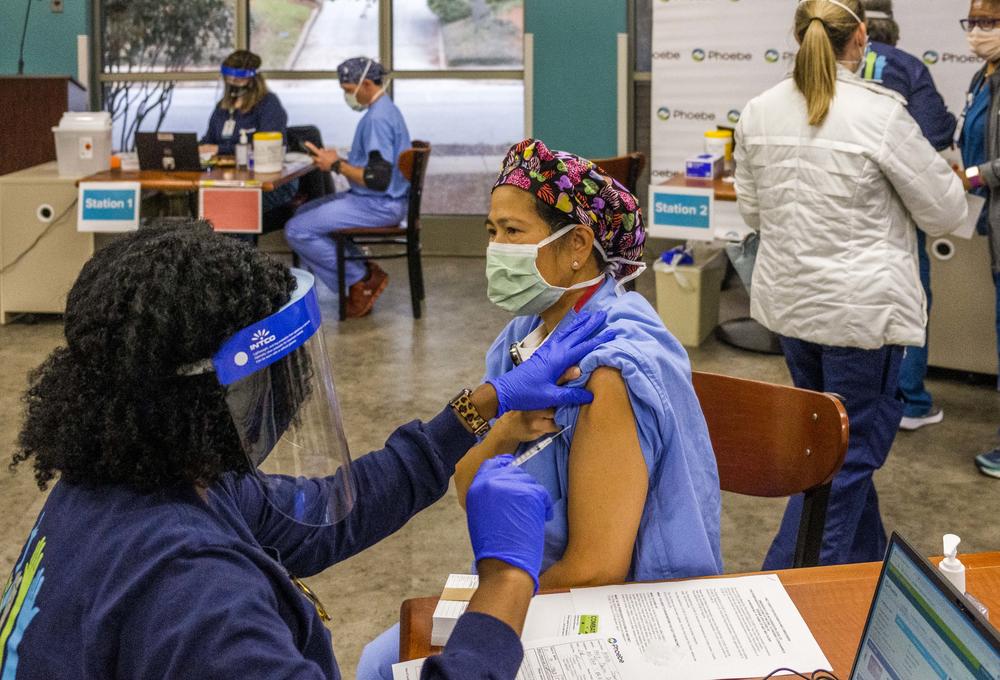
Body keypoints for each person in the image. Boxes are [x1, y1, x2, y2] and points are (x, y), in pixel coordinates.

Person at [0, 221, 618, 680]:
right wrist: (506, 582)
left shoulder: (135, 480)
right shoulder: (198, 600)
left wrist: (487, 402)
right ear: (226, 393)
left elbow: (327, 512)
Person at [356, 139, 723, 680]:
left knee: (388, 665)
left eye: (512, 232)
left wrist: (484, 624)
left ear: (577, 244)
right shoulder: (523, 336)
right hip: (531, 578)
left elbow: (596, 570)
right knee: (378, 661)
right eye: (490, 231)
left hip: (608, 610)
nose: (495, 249)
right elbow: (467, 488)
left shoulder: (608, 368)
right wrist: (505, 426)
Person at [735, 0, 967, 568]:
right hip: (862, 320)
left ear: (798, 36)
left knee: (831, 447)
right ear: (861, 37)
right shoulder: (881, 114)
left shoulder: (759, 110)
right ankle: (783, 591)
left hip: (792, 311)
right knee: (844, 459)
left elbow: (751, 213)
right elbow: (945, 212)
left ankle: (863, 569)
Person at [861, 0, 957, 431]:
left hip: (828, 206)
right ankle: (910, 401)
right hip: (895, 204)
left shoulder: (819, 69)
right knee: (908, 296)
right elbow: (936, 131)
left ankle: (850, 399)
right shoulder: (907, 67)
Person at [285, 57, 411, 319]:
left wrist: (336, 166)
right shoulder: (385, 111)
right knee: (302, 215)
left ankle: (360, 279)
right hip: (377, 199)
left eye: (347, 90)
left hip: (380, 203)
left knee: (297, 230)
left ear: (365, 84)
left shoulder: (377, 119)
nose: (347, 96)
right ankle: (362, 271)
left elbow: (379, 178)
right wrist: (338, 160)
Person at [957, 0, 1000, 478]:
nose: (978, 31)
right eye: (974, 22)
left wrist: (973, 175)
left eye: (989, 22)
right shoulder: (981, 75)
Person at [199, 50, 296, 214]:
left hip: (269, 181)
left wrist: (220, 149)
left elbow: (267, 147)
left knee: (234, 206)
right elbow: (209, 140)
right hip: (228, 178)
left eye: (238, 79)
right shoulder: (222, 108)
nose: (233, 83)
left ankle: (238, 240)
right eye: (229, 79)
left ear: (253, 79)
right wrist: (198, 149)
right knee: (201, 200)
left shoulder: (268, 105)